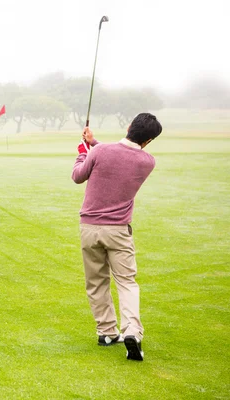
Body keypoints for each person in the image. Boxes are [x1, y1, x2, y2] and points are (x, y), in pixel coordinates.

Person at [71, 113, 162, 361]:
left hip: (89, 228)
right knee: (126, 282)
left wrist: (83, 150)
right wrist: (94, 144)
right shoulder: (147, 161)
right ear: (149, 139)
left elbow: (78, 175)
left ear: (129, 126)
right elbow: (120, 157)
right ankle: (132, 331)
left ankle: (107, 332)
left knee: (96, 282)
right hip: (119, 231)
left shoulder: (100, 153)